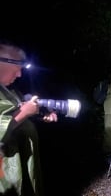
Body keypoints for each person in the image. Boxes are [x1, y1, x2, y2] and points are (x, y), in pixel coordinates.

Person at [0, 40, 58, 196]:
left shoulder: (9, 90)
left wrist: (39, 115)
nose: (19, 74)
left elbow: (16, 115)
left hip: (23, 167)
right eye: (17, 66)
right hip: (5, 179)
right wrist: (24, 113)